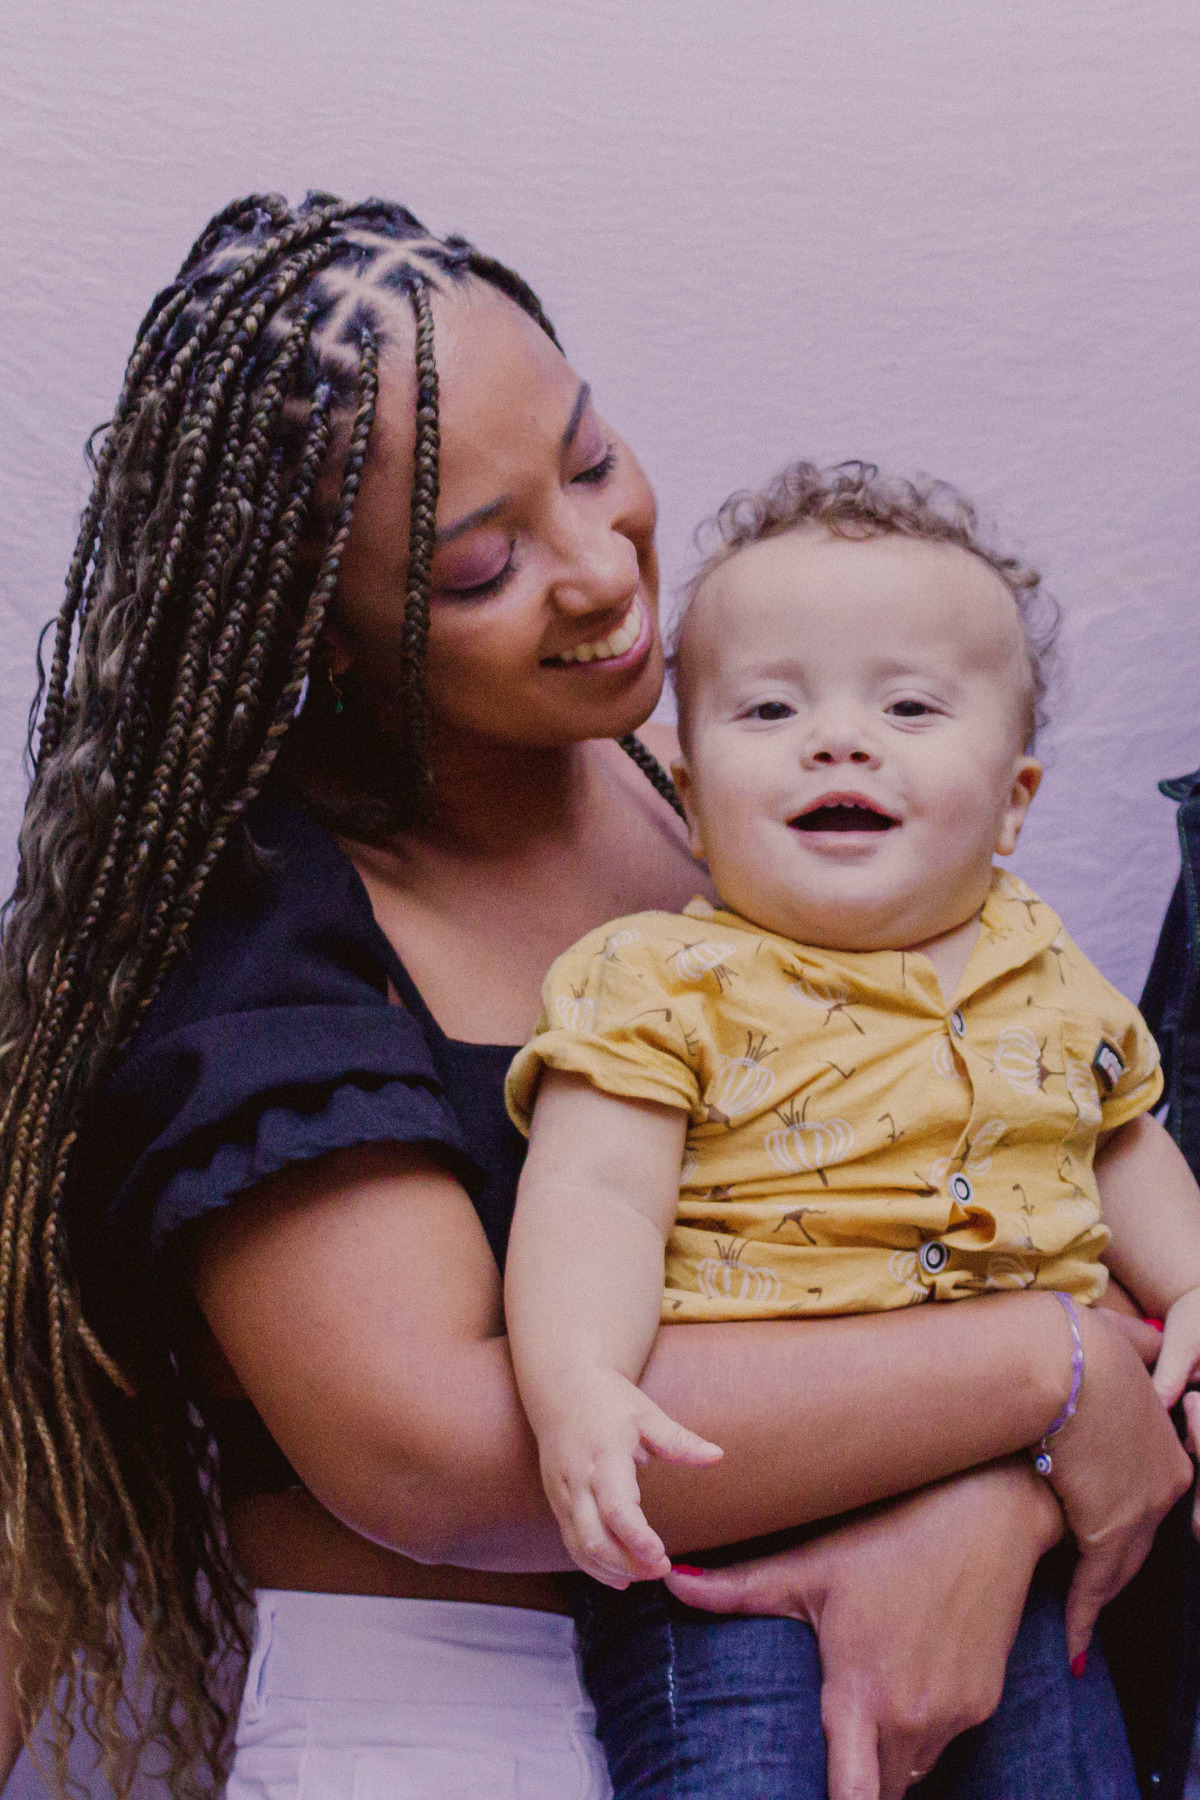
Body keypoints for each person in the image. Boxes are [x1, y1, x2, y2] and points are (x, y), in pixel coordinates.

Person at [0, 196, 1187, 1800]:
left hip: (818, 1643)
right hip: (459, 1717)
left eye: (588, 455)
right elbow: (433, 1449)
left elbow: (994, 1183)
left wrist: (990, 1505)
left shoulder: (720, 791)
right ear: (325, 636)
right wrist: (1037, 1373)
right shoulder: (262, 914)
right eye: (481, 562)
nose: (598, 566)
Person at [503, 463, 1200, 1793]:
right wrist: (577, 1379)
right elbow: (594, 1197)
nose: (840, 739)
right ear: (694, 799)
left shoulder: (1051, 972)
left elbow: (1119, 1145)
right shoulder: (660, 983)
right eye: (771, 708)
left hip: (1025, 1542)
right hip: (748, 1549)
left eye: (909, 706)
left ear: (1013, 801)